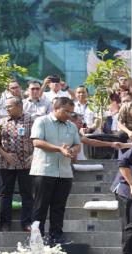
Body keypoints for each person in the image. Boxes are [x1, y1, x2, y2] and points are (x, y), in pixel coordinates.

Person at [29, 97, 81, 244]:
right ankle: (37, 237)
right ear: (56, 108)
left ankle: (56, 235)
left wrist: (72, 150)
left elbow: (78, 145)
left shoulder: (71, 126)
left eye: (71, 112)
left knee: (59, 207)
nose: (69, 115)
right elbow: (36, 142)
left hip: (64, 172)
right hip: (44, 171)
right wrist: (59, 149)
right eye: (66, 111)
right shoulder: (42, 121)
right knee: (40, 206)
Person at [0, 97, 34, 232]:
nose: (7, 109)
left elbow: (38, 139)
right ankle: (5, 224)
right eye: (6, 107)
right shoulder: (1, 122)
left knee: (27, 194)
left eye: (9, 106)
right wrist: (5, 155)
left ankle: (27, 223)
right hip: (6, 163)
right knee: (5, 194)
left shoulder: (31, 120)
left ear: (19, 106)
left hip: (26, 163)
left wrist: (34, 155)